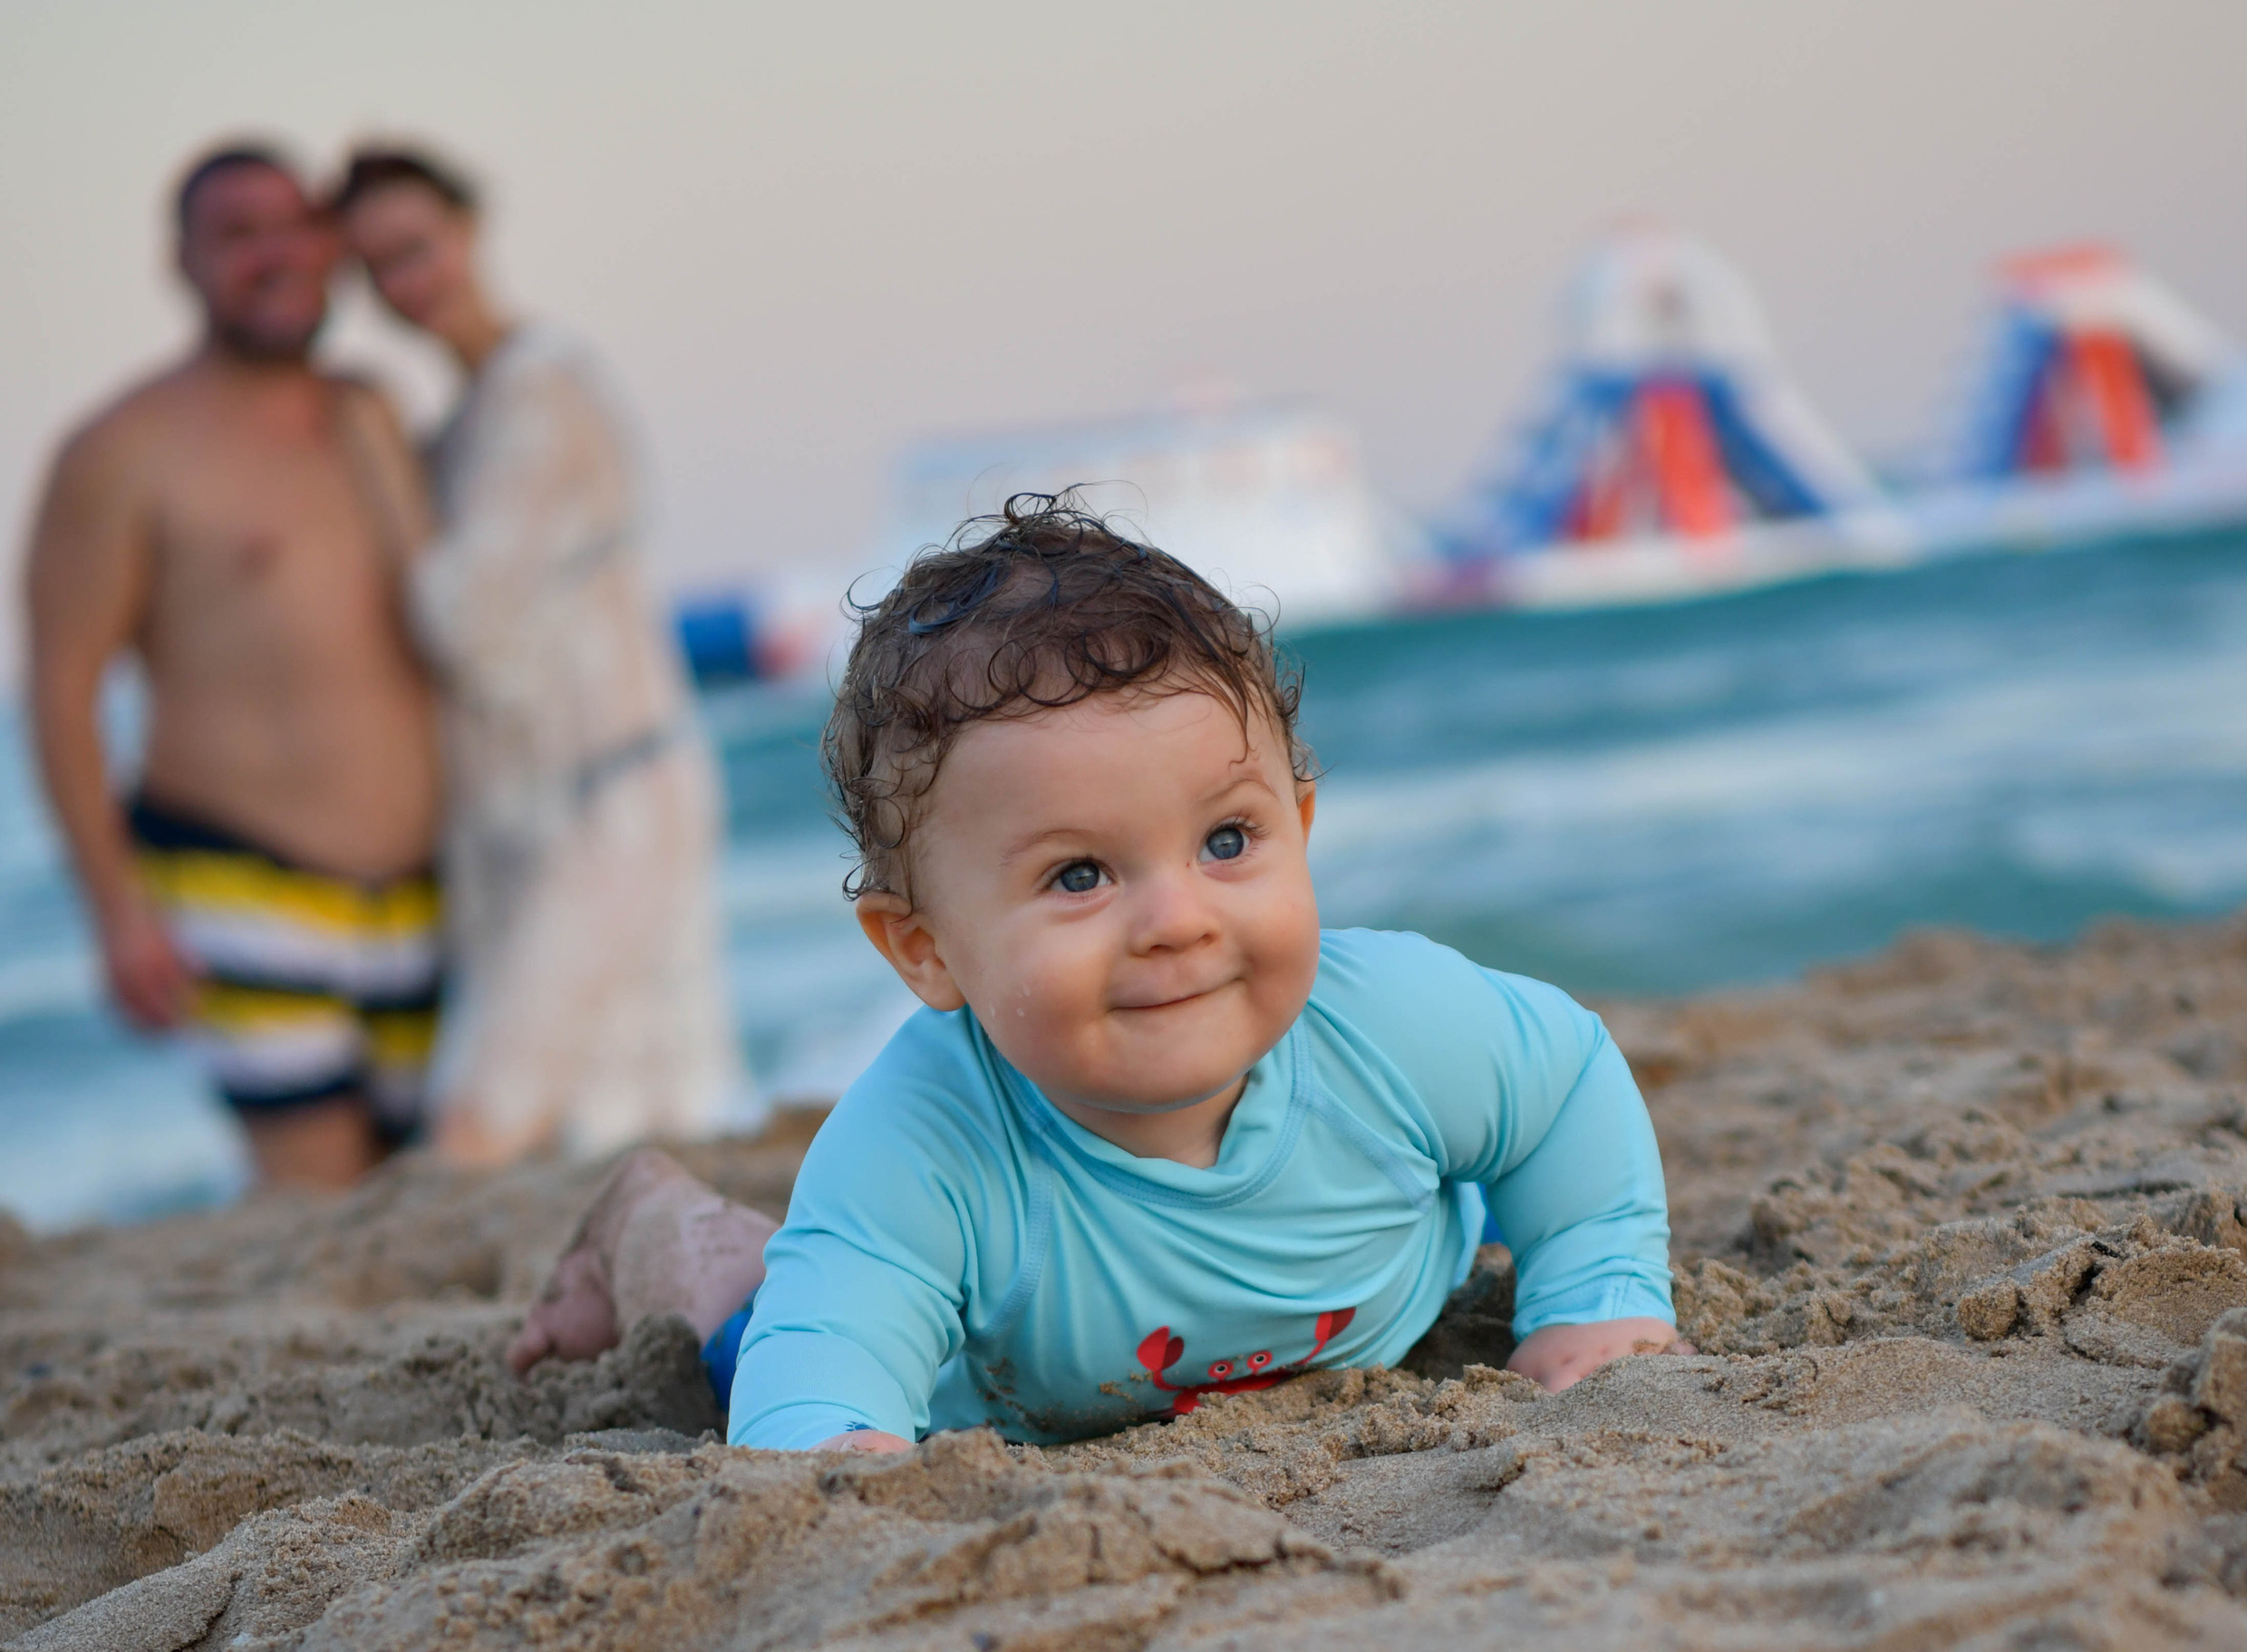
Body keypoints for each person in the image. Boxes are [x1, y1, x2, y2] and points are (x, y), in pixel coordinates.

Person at [511, 499, 1683, 1446]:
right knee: (754, 1323)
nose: (1176, 919)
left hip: (1354, 1317)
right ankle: (669, 1230)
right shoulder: (921, 1143)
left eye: (1228, 842)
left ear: (1301, 823)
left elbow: (1563, 1091)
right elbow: (824, 1376)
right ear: (925, 949)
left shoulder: (1393, 1027)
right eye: (1079, 876)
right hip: (1003, 1401)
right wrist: (834, 1448)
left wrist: (1595, 1294)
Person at [24, 143, 442, 1191]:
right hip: (243, 880)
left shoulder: (373, 414)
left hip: (429, 889)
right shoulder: (124, 449)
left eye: (295, 224)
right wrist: (116, 912)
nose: (276, 254)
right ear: (184, 262)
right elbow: (61, 692)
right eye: (238, 234)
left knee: (422, 1181)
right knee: (317, 1202)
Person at [333, 144, 742, 1164]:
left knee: (491, 1112)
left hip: (612, 796)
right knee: (607, 1124)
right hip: (538, 812)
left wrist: (382, 457)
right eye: (376, 266)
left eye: (417, 247)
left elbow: (465, 623)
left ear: (467, 231)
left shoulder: (540, 391)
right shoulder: (471, 418)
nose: (404, 281)